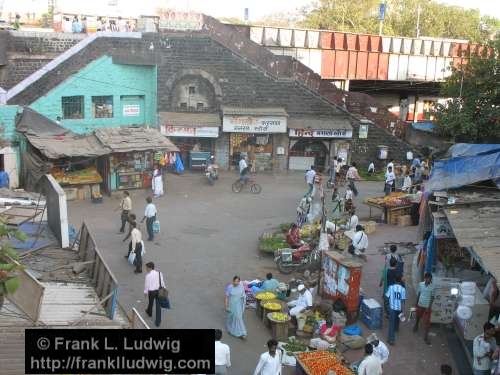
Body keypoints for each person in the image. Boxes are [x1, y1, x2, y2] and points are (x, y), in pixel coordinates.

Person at [413, 272, 435, 345]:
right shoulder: (421, 284)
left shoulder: (433, 286)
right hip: (420, 304)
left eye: (429, 278)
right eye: (427, 278)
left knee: (427, 322)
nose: (428, 280)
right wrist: (416, 303)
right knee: (418, 316)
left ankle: (426, 337)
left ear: (431, 279)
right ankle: (416, 325)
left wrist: (429, 306)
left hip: (427, 306)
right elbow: (419, 293)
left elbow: (432, 297)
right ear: (425, 278)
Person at [386, 275, 406, 345]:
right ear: (400, 281)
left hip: (392, 307)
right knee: (397, 319)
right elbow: (403, 300)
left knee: (391, 324)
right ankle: (396, 328)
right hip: (399, 307)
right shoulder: (403, 289)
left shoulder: (391, 287)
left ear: (395, 280)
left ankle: (391, 339)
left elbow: (387, 296)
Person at [144, 262, 164, 327]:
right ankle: (158, 322)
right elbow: (162, 282)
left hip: (152, 292)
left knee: (151, 302)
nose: (146, 269)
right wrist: (164, 289)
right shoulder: (159, 273)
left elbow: (146, 285)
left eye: (147, 268)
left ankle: (149, 312)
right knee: (158, 306)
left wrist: (145, 293)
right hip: (159, 291)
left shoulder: (148, 276)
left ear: (150, 268)